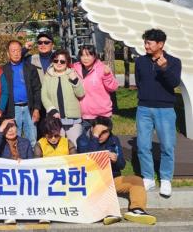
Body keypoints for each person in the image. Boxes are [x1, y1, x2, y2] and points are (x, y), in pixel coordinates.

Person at [77, 117, 157, 226]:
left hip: (112, 179)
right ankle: (108, 213)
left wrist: (116, 160)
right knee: (100, 187)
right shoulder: (82, 140)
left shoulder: (114, 140)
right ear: (92, 129)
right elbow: (88, 161)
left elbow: (122, 165)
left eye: (104, 132)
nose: (100, 135)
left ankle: (137, 210)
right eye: (98, 131)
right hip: (92, 183)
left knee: (137, 180)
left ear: (110, 132)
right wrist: (95, 137)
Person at [135, 29, 181, 197]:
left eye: (149, 43)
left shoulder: (174, 61)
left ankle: (166, 179)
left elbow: (174, 83)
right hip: (144, 108)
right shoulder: (140, 61)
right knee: (143, 145)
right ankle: (148, 177)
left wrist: (164, 68)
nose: (146, 46)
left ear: (160, 44)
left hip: (165, 109)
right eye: (145, 42)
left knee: (167, 146)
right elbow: (139, 82)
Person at [2, 40, 42, 146]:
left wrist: (37, 109)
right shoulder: (3, 70)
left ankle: (32, 156)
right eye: (13, 51)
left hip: (30, 108)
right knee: (14, 139)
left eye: (18, 50)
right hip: (13, 109)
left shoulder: (30, 68)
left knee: (32, 139)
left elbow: (37, 89)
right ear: (8, 53)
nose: (16, 53)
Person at [41, 49, 84, 145]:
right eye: (56, 60)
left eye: (62, 61)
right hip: (55, 118)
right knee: (57, 145)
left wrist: (75, 81)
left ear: (67, 62)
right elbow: (44, 95)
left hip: (72, 118)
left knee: (74, 145)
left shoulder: (72, 73)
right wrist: (52, 110)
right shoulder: (48, 76)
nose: (59, 63)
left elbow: (80, 94)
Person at [73, 45, 119, 132]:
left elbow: (113, 88)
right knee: (84, 140)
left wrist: (107, 75)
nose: (85, 58)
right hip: (82, 115)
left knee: (101, 139)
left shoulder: (102, 68)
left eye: (88, 55)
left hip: (101, 115)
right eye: (82, 55)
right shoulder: (74, 68)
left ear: (94, 56)